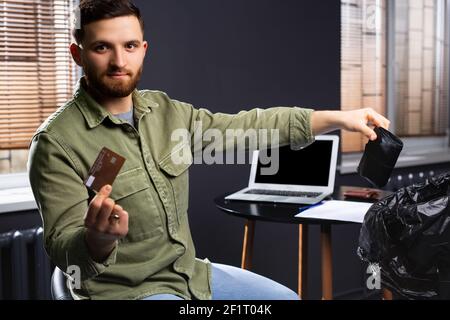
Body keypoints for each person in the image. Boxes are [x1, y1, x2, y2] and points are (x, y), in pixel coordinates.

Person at [28, 0, 390, 300]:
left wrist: (340, 118)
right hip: (126, 292)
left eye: (130, 46)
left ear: (144, 49)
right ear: (78, 53)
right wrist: (98, 239)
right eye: (102, 47)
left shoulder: (166, 113)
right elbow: (65, 248)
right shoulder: (55, 143)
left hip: (190, 275)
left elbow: (250, 128)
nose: (120, 61)